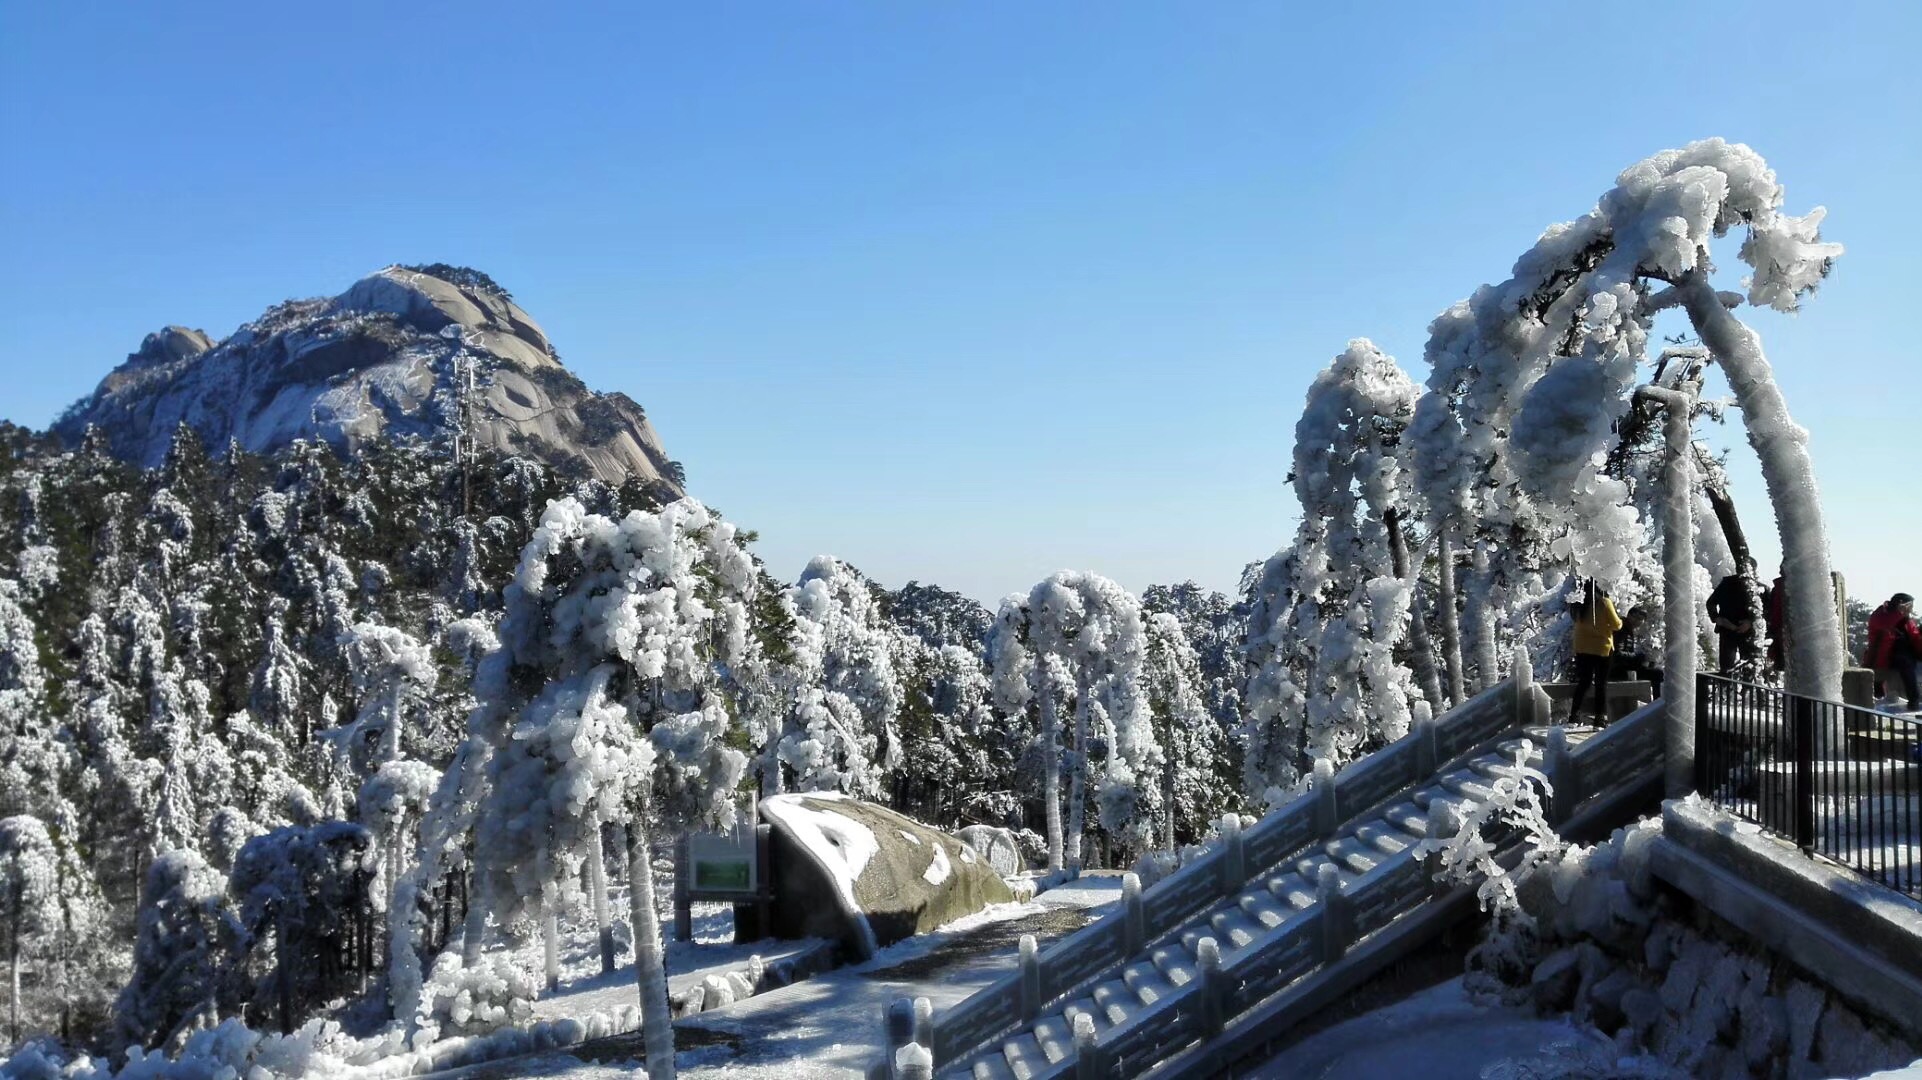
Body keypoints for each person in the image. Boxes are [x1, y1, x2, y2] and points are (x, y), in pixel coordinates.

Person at [1568, 581, 1623, 726]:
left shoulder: (1577, 604)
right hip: (1601, 648)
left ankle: (1573, 715)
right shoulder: (1604, 603)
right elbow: (1617, 624)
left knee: (1583, 682)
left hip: (1582, 648)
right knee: (1600, 684)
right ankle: (1600, 718)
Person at [1864, 593, 1922, 712]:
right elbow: (1884, 624)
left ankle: (1914, 700)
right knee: (1905, 662)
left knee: (1907, 661)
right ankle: (1913, 700)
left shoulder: (1906, 621)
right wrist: (1899, 613)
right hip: (1884, 656)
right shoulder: (1881, 614)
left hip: (1904, 654)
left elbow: (1915, 637)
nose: (1910, 610)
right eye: (1909, 606)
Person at [1706, 572, 1761, 675]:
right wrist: (1718, 618)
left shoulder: (1757, 586)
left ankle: (1744, 687)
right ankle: (1728, 686)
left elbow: (1764, 610)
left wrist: (1750, 622)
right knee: (1727, 667)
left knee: (1749, 666)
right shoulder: (1727, 583)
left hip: (1747, 632)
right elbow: (1711, 603)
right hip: (1728, 630)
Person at [1611, 605, 1663, 698]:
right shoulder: (1621, 629)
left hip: (1627, 667)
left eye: (1640, 619)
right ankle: (1656, 705)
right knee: (1657, 674)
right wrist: (1640, 657)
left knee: (1655, 668)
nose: (1637, 621)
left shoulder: (1629, 630)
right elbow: (1617, 655)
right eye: (1635, 617)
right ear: (1629, 615)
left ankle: (1656, 702)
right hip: (1618, 670)